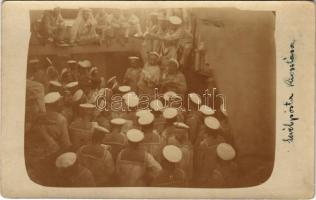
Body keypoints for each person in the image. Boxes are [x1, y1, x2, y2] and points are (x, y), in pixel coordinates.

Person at [25, 92, 71, 186]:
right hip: (51, 157)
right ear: (58, 103)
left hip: (34, 157)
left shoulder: (37, 117)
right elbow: (66, 144)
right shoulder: (61, 119)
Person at [194, 116, 225, 187]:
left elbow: (199, 159)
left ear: (207, 130)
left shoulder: (204, 143)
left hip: (206, 166)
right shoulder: (222, 139)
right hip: (217, 165)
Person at [25, 59, 46, 133]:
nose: (36, 66)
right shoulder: (37, 85)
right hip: (32, 105)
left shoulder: (39, 74)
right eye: (34, 65)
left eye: (36, 64)